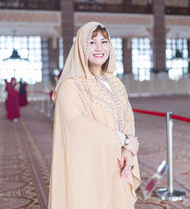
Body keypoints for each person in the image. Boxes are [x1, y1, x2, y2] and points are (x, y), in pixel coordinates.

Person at [48, 22, 141, 209]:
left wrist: (128, 151)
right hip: (89, 166)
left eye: (104, 41)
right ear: (81, 47)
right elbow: (78, 125)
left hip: (118, 161)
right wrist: (124, 140)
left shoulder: (115, 83)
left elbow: (127, 117)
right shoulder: (70, 86)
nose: (99, 48)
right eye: (92, 42)